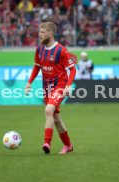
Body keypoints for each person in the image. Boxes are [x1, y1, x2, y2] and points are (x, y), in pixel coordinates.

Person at [25, 22, 76, 155]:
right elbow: (37, 66)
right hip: (46, 87)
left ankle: (47, 143)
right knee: (56, 118)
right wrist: (29, 82)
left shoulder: (61, 50)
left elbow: (73, 69)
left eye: (42, 32)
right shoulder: (39, 50)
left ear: (50, 34)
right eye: (39, 32)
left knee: (48, 111)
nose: (39, 35)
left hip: (60, 85)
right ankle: (68, 146)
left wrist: (68, 86)